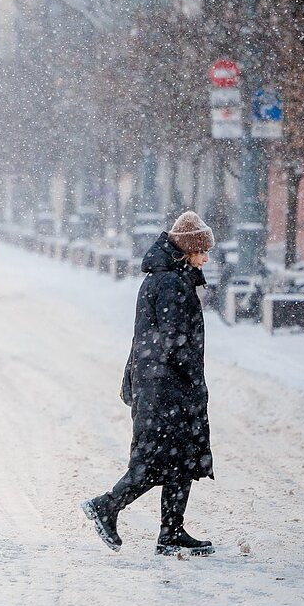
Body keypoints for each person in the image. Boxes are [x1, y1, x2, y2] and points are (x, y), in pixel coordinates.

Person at [83, 210, 216, 557]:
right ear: (187, 250)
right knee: (156, 460)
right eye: (202, 250)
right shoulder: (170, 283)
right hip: (165, 387)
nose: (206, 257)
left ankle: (171, 532)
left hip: (162, 384)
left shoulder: (169, 278)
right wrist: (192, 379)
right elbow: (174, 341)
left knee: (180, 458)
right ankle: (107, 506)